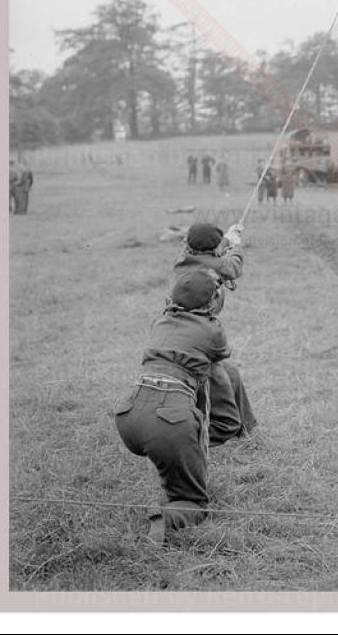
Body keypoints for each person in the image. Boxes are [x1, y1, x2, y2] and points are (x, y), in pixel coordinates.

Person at [113, 270, 231, 538]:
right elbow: (219, 361)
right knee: (194, 503)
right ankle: (163, 520)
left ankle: (173, 472)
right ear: (212, 302)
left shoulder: (160, 322)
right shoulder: (213, 331)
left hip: (128, 411)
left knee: (169, 450)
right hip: (169, 419)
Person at [172, 222, 257, 446]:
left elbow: (207, 251)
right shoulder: (217, 264)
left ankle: (246, 429)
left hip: (182, 327)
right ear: (214, 248)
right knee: (222, 376)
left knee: (231, 373)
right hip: (198, 333)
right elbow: (233, 267)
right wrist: (235, 246)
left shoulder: (184, 258)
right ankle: (212, 433)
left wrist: (227, 238)